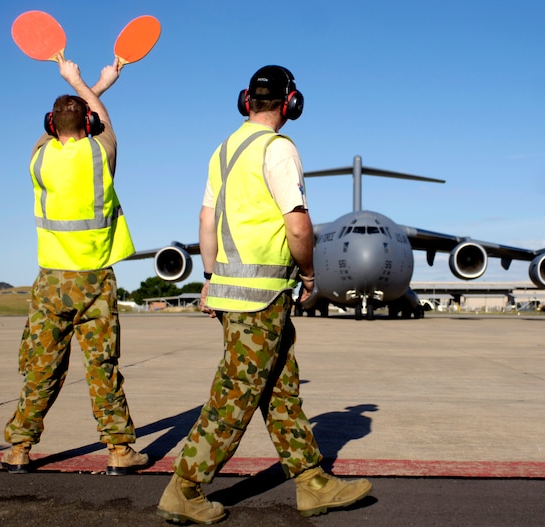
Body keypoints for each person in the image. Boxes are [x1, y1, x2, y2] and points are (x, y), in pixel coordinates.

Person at [156, 65, 372, 524]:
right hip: (262, 297)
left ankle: (312, 481)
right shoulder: (278, 150)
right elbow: (298, 225)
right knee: (236, 393)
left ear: (246, 101)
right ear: (291, 103)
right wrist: (311, 275)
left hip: (235, 293)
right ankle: (186, 487)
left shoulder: (225, 150)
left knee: (280, 389)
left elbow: (205, 219)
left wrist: (211, 278)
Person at [0, 56, 148, 476]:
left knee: (41, 366)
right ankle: (119, 451)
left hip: (50, 282)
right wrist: (90, 84)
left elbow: (65, 127)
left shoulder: (39, 160)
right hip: (95, 281)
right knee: (102, 367)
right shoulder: (101, 155)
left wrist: (74, 88)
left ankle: (18, 448)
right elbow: (101, 120)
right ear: (89, 126)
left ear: (51, 126)